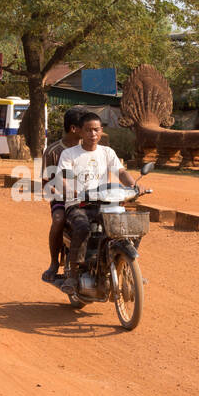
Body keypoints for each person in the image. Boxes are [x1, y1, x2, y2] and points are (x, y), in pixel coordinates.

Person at [55, 112, 145, 296]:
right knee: (82, 227)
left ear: (101, 131)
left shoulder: (107, 152)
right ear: (80, 132)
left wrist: (134, 185)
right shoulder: (69, 154)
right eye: (88, 130)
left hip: (106, 203)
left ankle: (127, 266)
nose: (93, 134)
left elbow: (121, 172)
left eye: (96, 130)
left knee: (133, 226)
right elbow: (63, 178)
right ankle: (73, 274)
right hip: (79, 204)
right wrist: (71, 190)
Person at [40, 107, 87, 283]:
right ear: (74, 129)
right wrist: (63, 193)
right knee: (58, 219)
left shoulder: (90, 150)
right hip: (61, 199)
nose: (90, 131)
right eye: (86, 127)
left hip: (88, 198)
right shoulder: (52, 151)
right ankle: (53, 263)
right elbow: (45, 185)